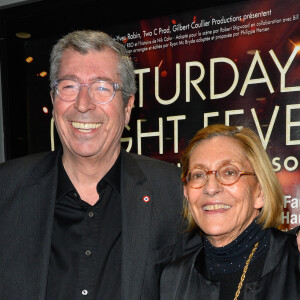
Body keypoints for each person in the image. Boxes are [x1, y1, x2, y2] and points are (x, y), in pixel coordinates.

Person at [0, 30, 199, 299]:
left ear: (128, 106)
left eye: (102, 88)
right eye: (69, 86)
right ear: (53, 100)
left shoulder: (174, 192)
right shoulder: (6, 189)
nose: (83, 105)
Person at [160, 124, 300, 300]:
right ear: (186, 193)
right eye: (198, 175)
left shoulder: (295, 261)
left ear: (260, 192)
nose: (211, 188)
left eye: (229, 172)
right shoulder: (174, 279)